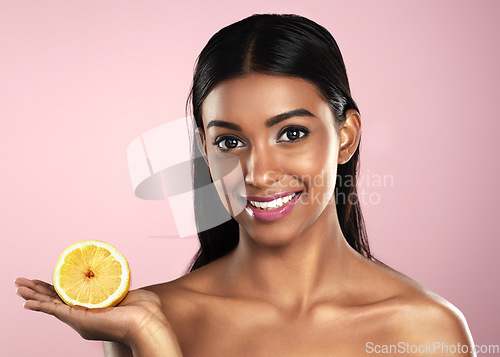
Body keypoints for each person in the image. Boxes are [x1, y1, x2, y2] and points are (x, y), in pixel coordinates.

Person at [15, 14, 475, 357]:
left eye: (291, 133)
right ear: (203, 149)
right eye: (230, 141)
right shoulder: (149, 318)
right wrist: (150, 339)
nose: (256, 172)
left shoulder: (424, 331)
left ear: (346, 136)